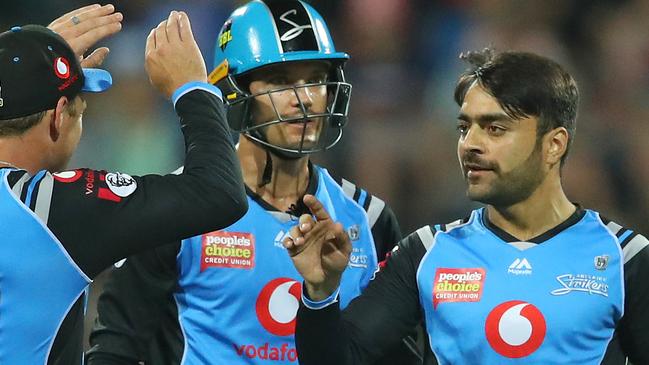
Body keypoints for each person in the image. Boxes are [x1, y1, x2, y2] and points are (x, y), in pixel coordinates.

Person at [86, 1, 421, 364]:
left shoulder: (370, 219)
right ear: (235, 91)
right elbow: (115, 349)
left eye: (315, 80)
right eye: (281, 81)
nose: (305, 100)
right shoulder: (171, 213)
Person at [283, 49, 649, 365]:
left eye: (494, 129)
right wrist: (320, 292)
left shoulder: (626, 258)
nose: (469, 144)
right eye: (464, 127)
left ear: (554, 145)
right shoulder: (424, 254)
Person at [0, 7, 247, 365]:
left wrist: (23, 59)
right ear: (57, 118)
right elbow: (219, 192)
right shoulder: (49, 209)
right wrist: (193, 89)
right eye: (79, 112)